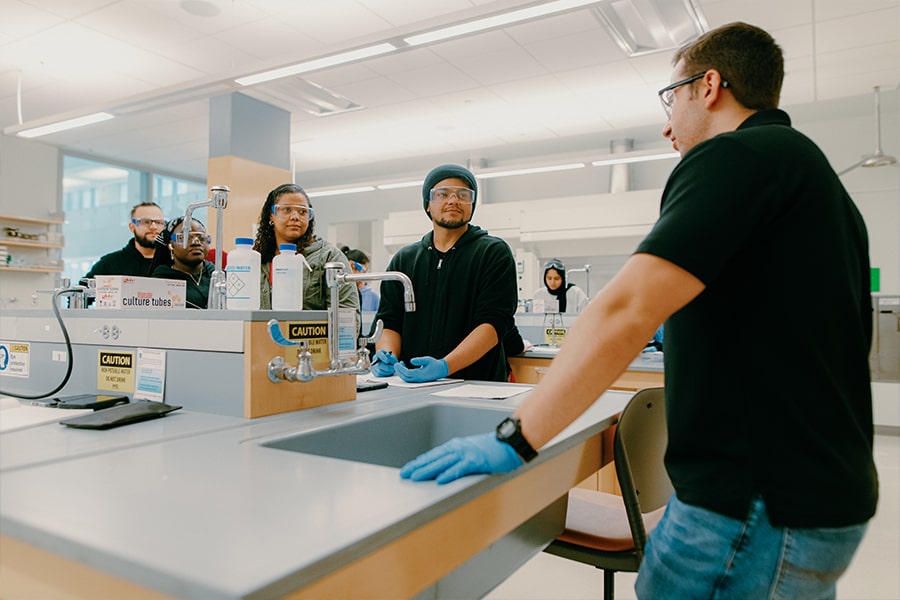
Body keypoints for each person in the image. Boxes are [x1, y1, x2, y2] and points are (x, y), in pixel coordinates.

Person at [399, 22, 877, 599]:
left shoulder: (735, 157)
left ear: (710, 86)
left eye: (669, 97)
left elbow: (626, 308)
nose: (666, 121)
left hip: (754, 505)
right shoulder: (807, 173)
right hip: (800, 494)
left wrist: (516, 437)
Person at [372, 164, 518, 383]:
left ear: (472, 204)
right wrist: (387, 355)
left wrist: (445, 366)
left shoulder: (492, 253)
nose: (453, 200)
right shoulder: (404, 259)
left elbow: (493, 324)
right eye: (442, 194)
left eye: (463, 194)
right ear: (428, 204)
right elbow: (389, 321)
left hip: (476, 384)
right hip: (412, 384)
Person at [253, 184, 359, 312]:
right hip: (262, 332)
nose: (295, 217)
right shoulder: (257, 259)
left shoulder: (329, 257)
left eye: (303, 211)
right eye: (287, 210)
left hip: (309, 332)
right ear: (271, 215)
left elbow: (348, 317)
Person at [83, 201, 165, 279]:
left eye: (159, 222)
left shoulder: (173, 263)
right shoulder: (109, 264)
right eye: (146, 222)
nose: (154, 227)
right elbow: (83, 290)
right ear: (132, 227)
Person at [150, 217, 215, 309]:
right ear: (170, 245)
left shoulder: (218, 275)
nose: (196, 242)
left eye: (201, 237)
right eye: (185, 238)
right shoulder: (160, 282)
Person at [341, 246, 380, 311]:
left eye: (366, 271)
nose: (364, 275)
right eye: (363, 271)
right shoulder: (342, 294)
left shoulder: (373, 297)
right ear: (351, 266)